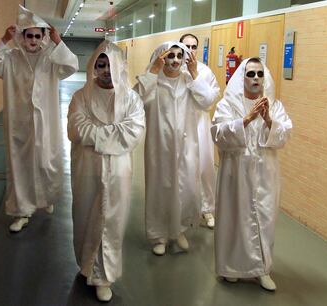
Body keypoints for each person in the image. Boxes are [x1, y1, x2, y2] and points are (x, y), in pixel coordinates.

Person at [0, 5, 79, 232]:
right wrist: (5, 40)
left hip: (47, 123)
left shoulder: (51, 59)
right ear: (22, 36)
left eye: (38, 35)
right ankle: (21, 211)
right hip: (19, 123)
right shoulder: (11, 58)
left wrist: (58, 42)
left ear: (43, 37)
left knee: (46, 161)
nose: (33, 40)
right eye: (29, 35)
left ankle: (46, 199)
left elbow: (72, 65)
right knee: (20, 166)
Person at [67, 40, 145, 302]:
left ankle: (103, 275)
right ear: (94, 67)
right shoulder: (81, 96)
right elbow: (76, 130)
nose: (106, 70)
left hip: (119, 171)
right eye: (101, 65)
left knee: (112, 220)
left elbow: (132, 132)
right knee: (85, 215)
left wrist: (96, 135)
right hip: (86, 168)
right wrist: (111, 136)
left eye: (110, 65)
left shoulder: (132, 99)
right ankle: (86, 264)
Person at [211, 57, 292, 291]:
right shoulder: (228, 105)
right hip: (235, 172)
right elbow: (218, 133)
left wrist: (268, 120)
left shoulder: (274, 105)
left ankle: (262, 269)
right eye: (250, 74)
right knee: (235, 219)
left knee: (264, 219)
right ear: (242, 77)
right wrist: (246, 119)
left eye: (259, 74)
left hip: (265, 172)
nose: (255, 78)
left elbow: (284, 135)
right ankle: (232, 267)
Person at [135, 41, 213, 256]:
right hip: (159, 147)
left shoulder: (189, 81)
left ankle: (178, 229)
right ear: (161, 57)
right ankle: (158, 235)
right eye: (171, 56)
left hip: (186, 146)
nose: (176, 60)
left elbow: (207, 101)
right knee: (160, 188)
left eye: (180, 56)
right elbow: (136, 100)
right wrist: (153, 72)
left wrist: (195, 73)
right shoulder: (153, 82)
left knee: (185, 187)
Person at [179, 33, 220, 229]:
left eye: (194, 46)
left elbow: (208, 100)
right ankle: (181, 210)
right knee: (181, 168)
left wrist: (194, 74)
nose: (190, 50)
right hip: (179, 125)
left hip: (200, 125)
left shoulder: (205, 72)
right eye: (186, 46)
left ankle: (206, 209)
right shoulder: (172, 69)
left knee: (204, 167)